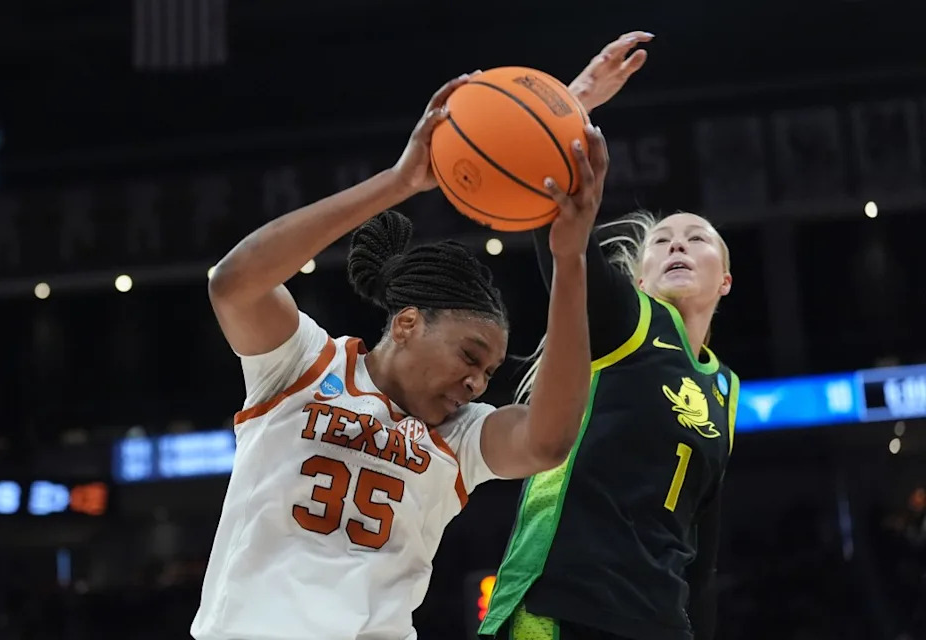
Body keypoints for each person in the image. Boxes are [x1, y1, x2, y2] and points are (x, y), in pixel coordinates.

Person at [191, 72, 609, 640]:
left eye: (488, 372)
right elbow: (232, 283)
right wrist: (398, 181)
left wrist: (569, 262)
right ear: (408, 323)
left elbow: (548, 440)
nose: (477, 383)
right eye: (469, 355)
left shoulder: (462, 438)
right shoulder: (304, 364)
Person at [479, 34, 740, 640]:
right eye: (663, 240)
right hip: (561, 608)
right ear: (640, 276)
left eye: (696, 237)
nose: (678, 242)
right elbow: (562, 237)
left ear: (724, 281)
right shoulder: (627, 323)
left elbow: (703, 549)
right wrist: (573, 105)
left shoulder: (725, 387)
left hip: (659, 622)